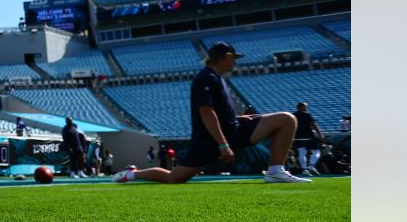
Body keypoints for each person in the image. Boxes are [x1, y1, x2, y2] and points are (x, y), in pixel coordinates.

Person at [114, 43, 309, 184]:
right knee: (174, 177)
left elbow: (217, 111)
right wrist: (223, 144)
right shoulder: (206, 77)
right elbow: (206, 112)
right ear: (226, 56)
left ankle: (276, 171)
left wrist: (238, 118)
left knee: (286, 119)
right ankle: (132, 174)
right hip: (212, 140)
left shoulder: (215, 77)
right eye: (234, 57)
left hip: (231, 130)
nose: (235, 61)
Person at [292, 101, 326, 175]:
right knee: (316, 152)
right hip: (309, 137)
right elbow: (314, 125)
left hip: (298, 137)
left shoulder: (293, 115)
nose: (306, 108)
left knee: (302, 153)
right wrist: (320, 135)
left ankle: (304, 170)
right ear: (301, 107)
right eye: (305, 107)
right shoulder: (307, 114)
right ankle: (310, 167)